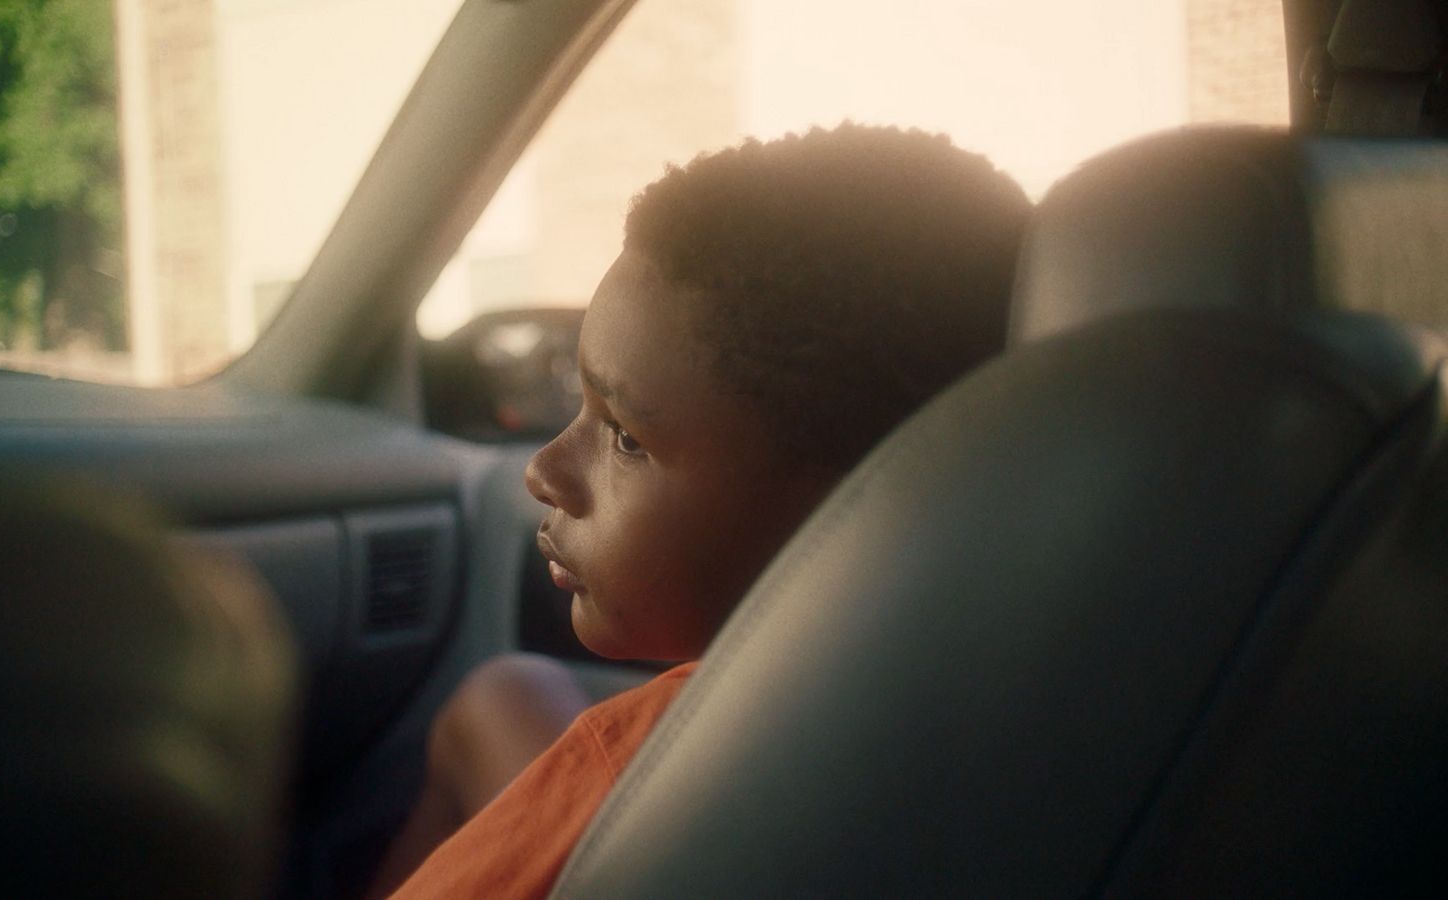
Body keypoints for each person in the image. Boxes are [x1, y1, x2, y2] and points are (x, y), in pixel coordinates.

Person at [375, 122, 1031, 898]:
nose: (543, 470)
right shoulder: (1042, 692)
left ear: (851, 513)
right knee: (501, 695)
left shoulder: (632, 770)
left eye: (624, 437)